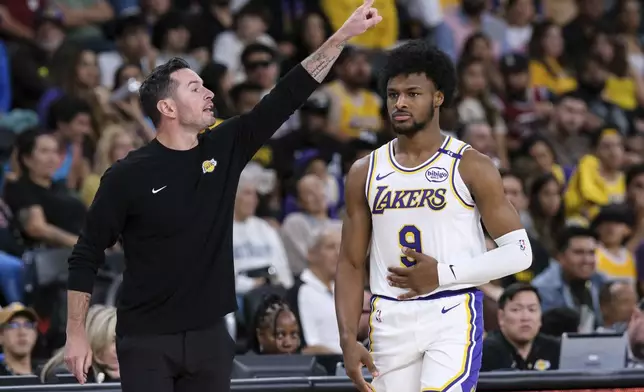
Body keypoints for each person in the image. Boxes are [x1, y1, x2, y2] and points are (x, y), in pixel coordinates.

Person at [63, 2, 383, 392]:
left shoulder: (225, 145)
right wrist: (76, 333)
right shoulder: (127, 175)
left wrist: (341, 37)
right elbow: (86, 254)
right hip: (147, 339)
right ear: (167, 107)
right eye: (195, 88)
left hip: (210, 337)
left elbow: (287, 94)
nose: (210, 92)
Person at [335, 40, 533, 392]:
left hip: (451, 310)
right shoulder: (364, 171)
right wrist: (348, 337)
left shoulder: (471, 165)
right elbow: (351, 263)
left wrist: (442, 274)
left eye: (413, 93)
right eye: (393, 94)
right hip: (388, 316)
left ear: (438, 97)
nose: (400, 103)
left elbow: (519, 252)